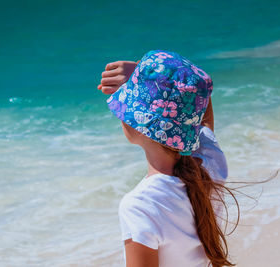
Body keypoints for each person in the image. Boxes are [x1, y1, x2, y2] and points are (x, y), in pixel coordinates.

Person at [97, 50, 236, 267]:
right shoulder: (209, 162)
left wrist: (143, 74)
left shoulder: (140, 205)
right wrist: (144, 76)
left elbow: (203, 107)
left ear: (142, 125)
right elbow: (201, 104)